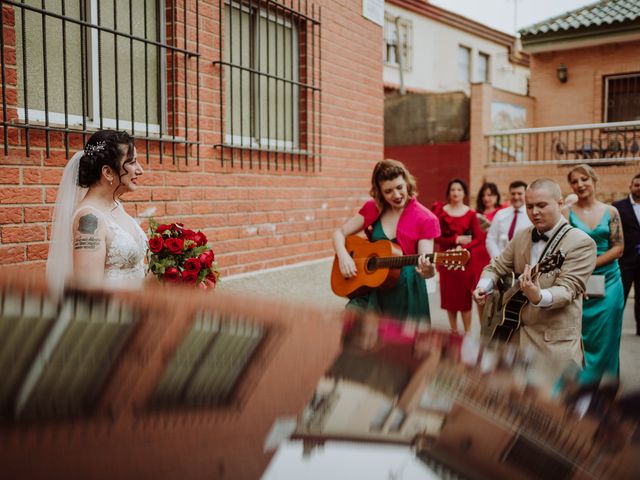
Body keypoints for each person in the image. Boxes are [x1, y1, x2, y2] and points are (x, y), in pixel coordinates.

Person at [473, 178, 597, 367]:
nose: (534, 212)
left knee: (553, 398)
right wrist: (483, 287)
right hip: (511, 338)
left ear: (560, 203)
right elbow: (495, 266)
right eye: (529, 206)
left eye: (541, 205)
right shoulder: (522, 235)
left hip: (553, 346)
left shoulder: (581, 243)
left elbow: (568, 290)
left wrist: (539, 296)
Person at [332, 159, 440, 323]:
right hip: (372, 289)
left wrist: (429, 270)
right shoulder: (373, 208)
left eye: (399, 187)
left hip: (406, 294)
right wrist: (344, 257)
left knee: (399, 346)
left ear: (407, 184)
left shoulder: (426, 219)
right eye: (388, 191)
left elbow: (426, 267)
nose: (396, 195)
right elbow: (339, 233)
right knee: (351, 324)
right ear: (379, 192)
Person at [46, 130, 147, 296]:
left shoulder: (115, 206)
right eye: (132, 162)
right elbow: (89, 292)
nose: (140, 170)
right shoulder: (89, 218)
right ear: (107, 172)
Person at [566, 164, 624, 383]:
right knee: (581, 334)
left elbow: (618, 248)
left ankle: (607, 385)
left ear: (594, 180)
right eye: (574, 181)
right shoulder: (567, 213)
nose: (580, 185)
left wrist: (589, 264)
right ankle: (583, 383)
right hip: (579, 282)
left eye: (584, 179)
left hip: (609, 281)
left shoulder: (611, 212)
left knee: (608, 335)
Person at [432, 178, 482, 334]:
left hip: (464, 262)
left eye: (459, 190)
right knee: (450, 300)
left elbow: (478, 238)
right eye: (453, 189)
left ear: (464, 193)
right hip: (446, 262)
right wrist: (455, 239)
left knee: (464, 300)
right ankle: (453, 332)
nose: (456, 192)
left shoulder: (471, 213)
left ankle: (467, 333)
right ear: (448, 193)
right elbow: (435, 237)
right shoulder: (440, 212)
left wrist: (462, 247)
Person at [613, 173, 640, 336]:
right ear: (630, 186)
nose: (639, 188)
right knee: (619, 296)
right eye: (636, 184)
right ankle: (614, 328)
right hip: (626, 259)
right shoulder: (618, 206)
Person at [471, 182, 504, 315]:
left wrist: (491, 227)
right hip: (477, 256)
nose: (486, 198)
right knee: (480, 293)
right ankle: (482, 329)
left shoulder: (501, 213)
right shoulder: (476, 214)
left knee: (496, 293)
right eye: (484, 195)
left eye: (490, 194)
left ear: (496, 196)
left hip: (493, 255)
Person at [486, 180, 531, 258]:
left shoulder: (531, 216)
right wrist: (498, 258)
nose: (516, 197)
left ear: (526, 195)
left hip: (523, 261)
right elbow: (491, 239)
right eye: (513, 194)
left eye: (519, 194)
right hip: (500, 260)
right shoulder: (500, 214)